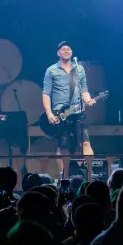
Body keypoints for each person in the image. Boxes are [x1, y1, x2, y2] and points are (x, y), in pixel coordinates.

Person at [41, 42, 97, 174]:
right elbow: (46, 93)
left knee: (86, 142)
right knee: (63, 146)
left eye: (69, 49)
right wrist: (49, 114)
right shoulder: (51, 70)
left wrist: (88, 99)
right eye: (63, 49)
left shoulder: (79, 69)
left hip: (78, 113)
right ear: (58, 53)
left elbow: (84, 89)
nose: (66, 51)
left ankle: (90, 175)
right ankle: (64, 177)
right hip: (61, 114)